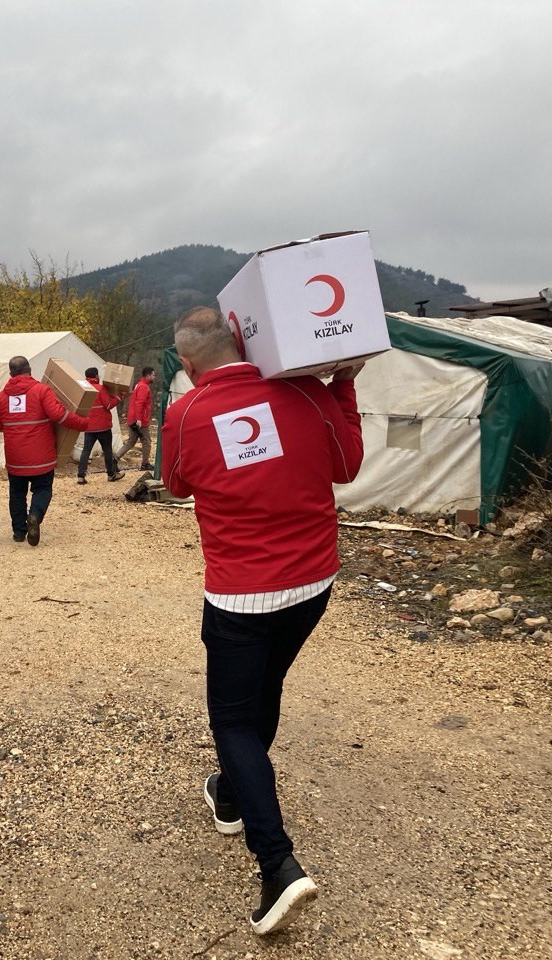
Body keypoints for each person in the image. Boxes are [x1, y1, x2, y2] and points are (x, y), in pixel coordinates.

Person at [160, 306, 363, 936]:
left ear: (189, 366)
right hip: (314, 583)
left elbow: (175, 485)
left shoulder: (188, 411)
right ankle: (229, 795)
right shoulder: (304, 389)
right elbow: (346, 467)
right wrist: (343, 386)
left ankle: (277, 865)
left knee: (234, 720)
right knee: (264, 688)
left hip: (242, 596)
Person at [0, 355, 91, 545]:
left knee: (16, 493)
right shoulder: (41, 391)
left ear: (10, 374)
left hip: (15, 457)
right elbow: (59, 415)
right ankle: (35, 515)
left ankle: (19, 532)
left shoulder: (0, 398)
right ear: (29, 370)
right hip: (41, 456)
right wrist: (83, 423)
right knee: (43, 488)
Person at [76, 367, 125, 485]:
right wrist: (119, 396)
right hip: (103, 426)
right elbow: (108, 405)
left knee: (86, 450)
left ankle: (81, 476)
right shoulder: (100, 388)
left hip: (88, 426)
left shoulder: (83, 389)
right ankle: (111, 475)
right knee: (107, 450)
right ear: (96, 376)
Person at [114, 366, 156, 471]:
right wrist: (139, 419)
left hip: (132, 419)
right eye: (153, 375)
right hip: (140, 421)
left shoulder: (138, 385)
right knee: (146, 441)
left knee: (131, 442)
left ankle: (114, 459)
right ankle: (145, 464)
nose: (154, 377)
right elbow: (139, 403)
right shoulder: (144, 387)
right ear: (148, 375)